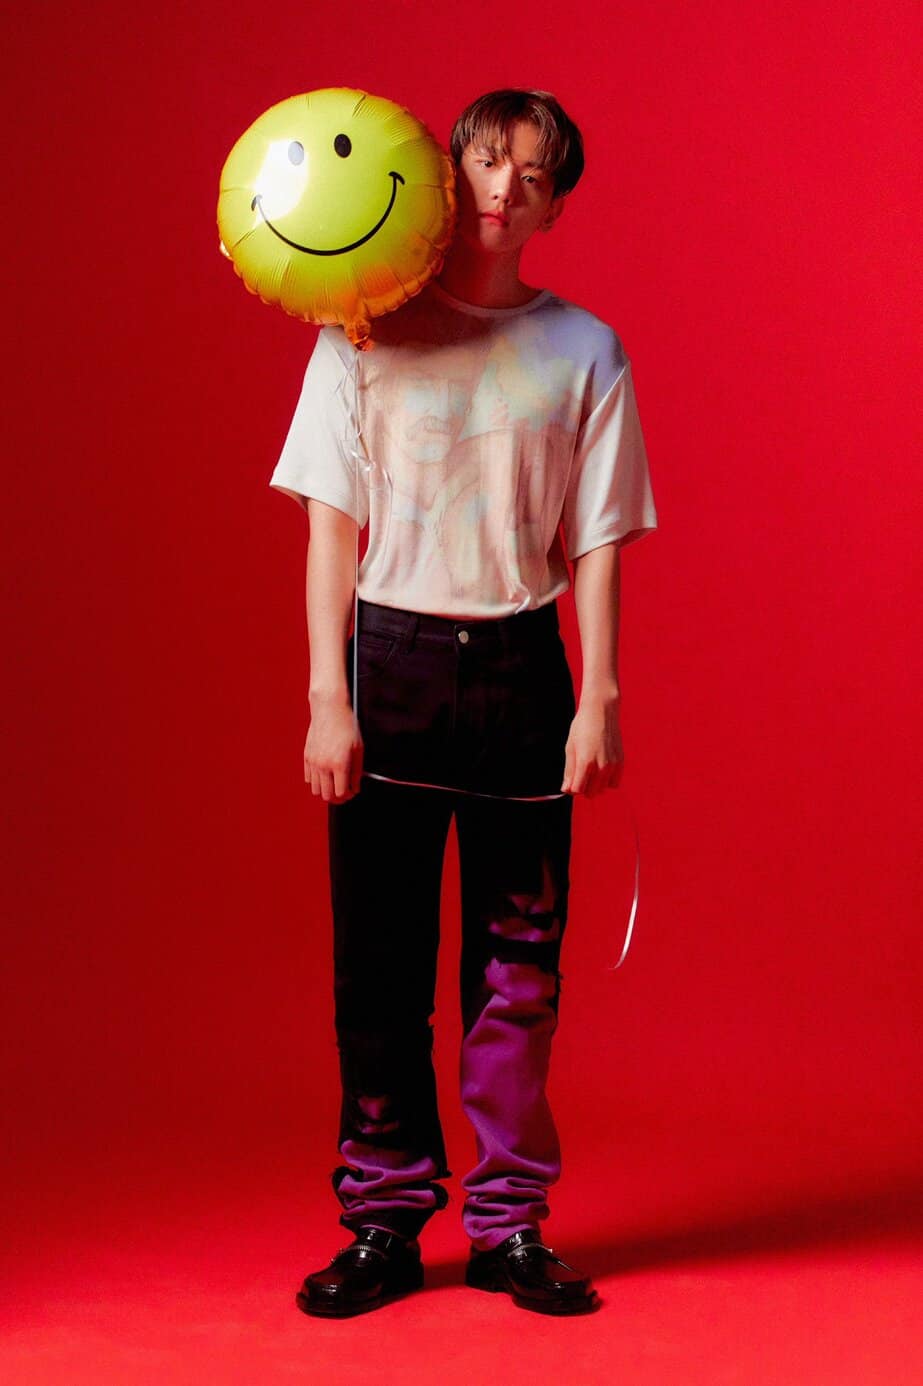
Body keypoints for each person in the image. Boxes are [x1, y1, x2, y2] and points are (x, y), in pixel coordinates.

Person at [269, 88, 658, 1317]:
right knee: (379, 971)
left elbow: (598, 538)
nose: (504, 189)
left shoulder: (585, 351)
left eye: (533, 177)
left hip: (520, 673)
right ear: (450, 170)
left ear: (555, 206)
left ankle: (508, 1226)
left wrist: (599, 695)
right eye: (489, 162)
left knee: (519, 974)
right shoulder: (362, 330)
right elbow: (331, 527)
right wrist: (326, 696)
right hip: (387, 661)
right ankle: (383, 1224)